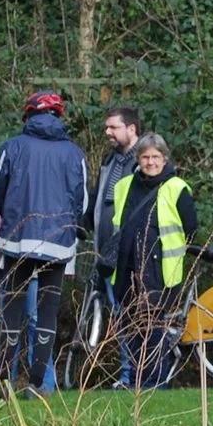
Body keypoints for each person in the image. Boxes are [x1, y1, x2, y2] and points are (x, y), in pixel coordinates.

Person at [0, 90, 86, 396]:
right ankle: (38, 384)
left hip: (18, 240)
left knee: (12, 313)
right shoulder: (75, 153)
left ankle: (3, 380)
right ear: (60, 116)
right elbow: (82, 203)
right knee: (47, 313)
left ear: (27, 114)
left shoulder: (12, 146)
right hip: (59, 244)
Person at [102, 133, 199, 390]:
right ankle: (136, 380)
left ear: (165, 158)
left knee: (154, 329)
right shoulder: (124, 186)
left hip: (160, 270)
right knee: (131, 327)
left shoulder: (177, 187)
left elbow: (191, 228)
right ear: (138, 158)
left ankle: (156, 383)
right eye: (145, 157)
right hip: (126, 268)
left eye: (156, 157)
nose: (151, 162)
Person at [83, 106, 143, 385]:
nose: (107, 132)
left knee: (131, 313)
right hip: (106, 251)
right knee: (119, 314)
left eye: (114, 127)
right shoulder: (110, 160)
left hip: (130, 254)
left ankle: (135, 375)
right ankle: (127, 373)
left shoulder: (145, 161)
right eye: (106, 127)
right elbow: (98, 200)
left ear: (131, 129)